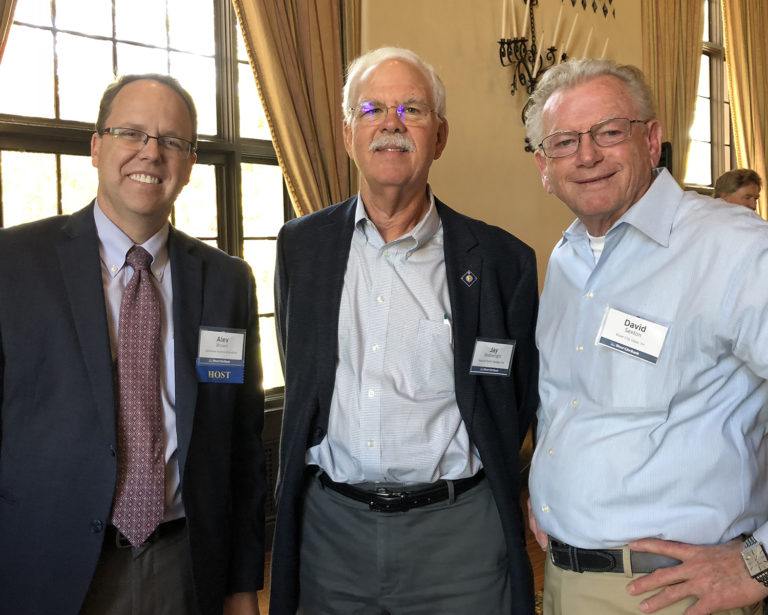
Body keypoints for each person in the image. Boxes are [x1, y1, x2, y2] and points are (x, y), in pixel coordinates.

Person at [270, 46, 539, 614]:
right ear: (348, 134)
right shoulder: (302, 246)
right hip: (332, 536)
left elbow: (513, 399)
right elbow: (304, 373)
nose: (391, 124)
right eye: (372, 110)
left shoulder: (500, 260)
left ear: (440, 137)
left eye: (412, 110)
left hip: (458, 540)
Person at [0, 74, 266, 615]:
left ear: (190, 164)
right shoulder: (14, 264)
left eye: (173, 140)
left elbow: (241, 443)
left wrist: (242, 584)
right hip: (47, 568)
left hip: (184, 565)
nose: (152, 152)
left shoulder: (228, 281)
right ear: (97, 147)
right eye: (132, 133)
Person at [525, 57, 768, 615]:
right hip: (564, 580)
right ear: (544, 165)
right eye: (564, 142)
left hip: (672, 594)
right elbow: (568, 402)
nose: (586, 156)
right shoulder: (566, 260)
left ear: (652, 139)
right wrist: (551, 491)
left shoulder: (733, 249)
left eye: (609, 132)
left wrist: (758, 562)